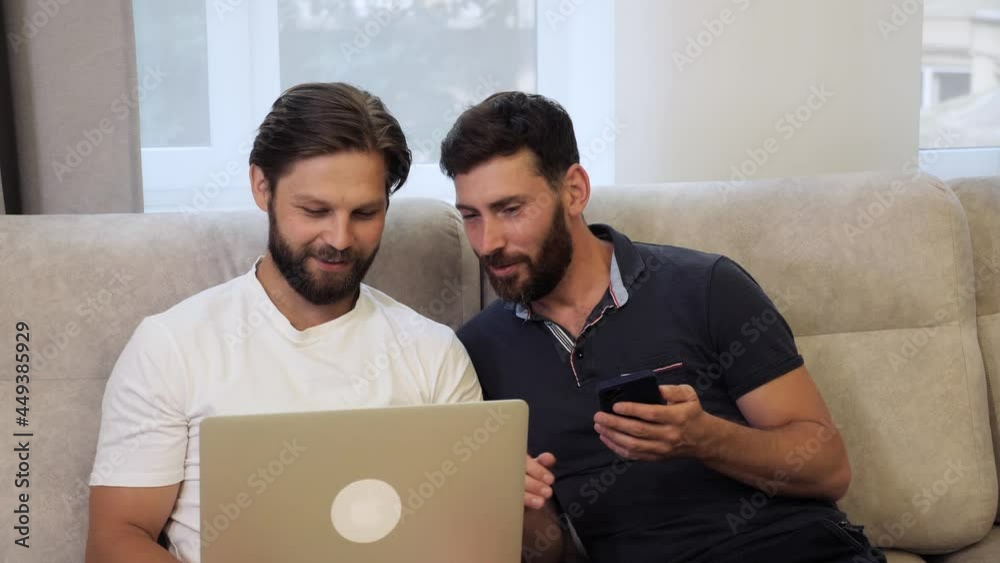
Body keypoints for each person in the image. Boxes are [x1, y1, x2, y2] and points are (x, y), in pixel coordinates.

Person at [441, 91, 885, 563]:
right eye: (471, 216)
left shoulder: (706, 286)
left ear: (573, 191)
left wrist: (704, 438)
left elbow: (829, 470)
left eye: (510, 210)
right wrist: (520, 507)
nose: (487, 242)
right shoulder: (477, 352)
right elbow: (552, 550)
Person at [85, 82, 482, 563]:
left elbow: (469, 537)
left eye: (364, 213)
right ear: (262, 186)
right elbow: (116, 540)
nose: (339, 238)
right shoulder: (172, 345)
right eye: (315, 210)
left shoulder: (433, 353)